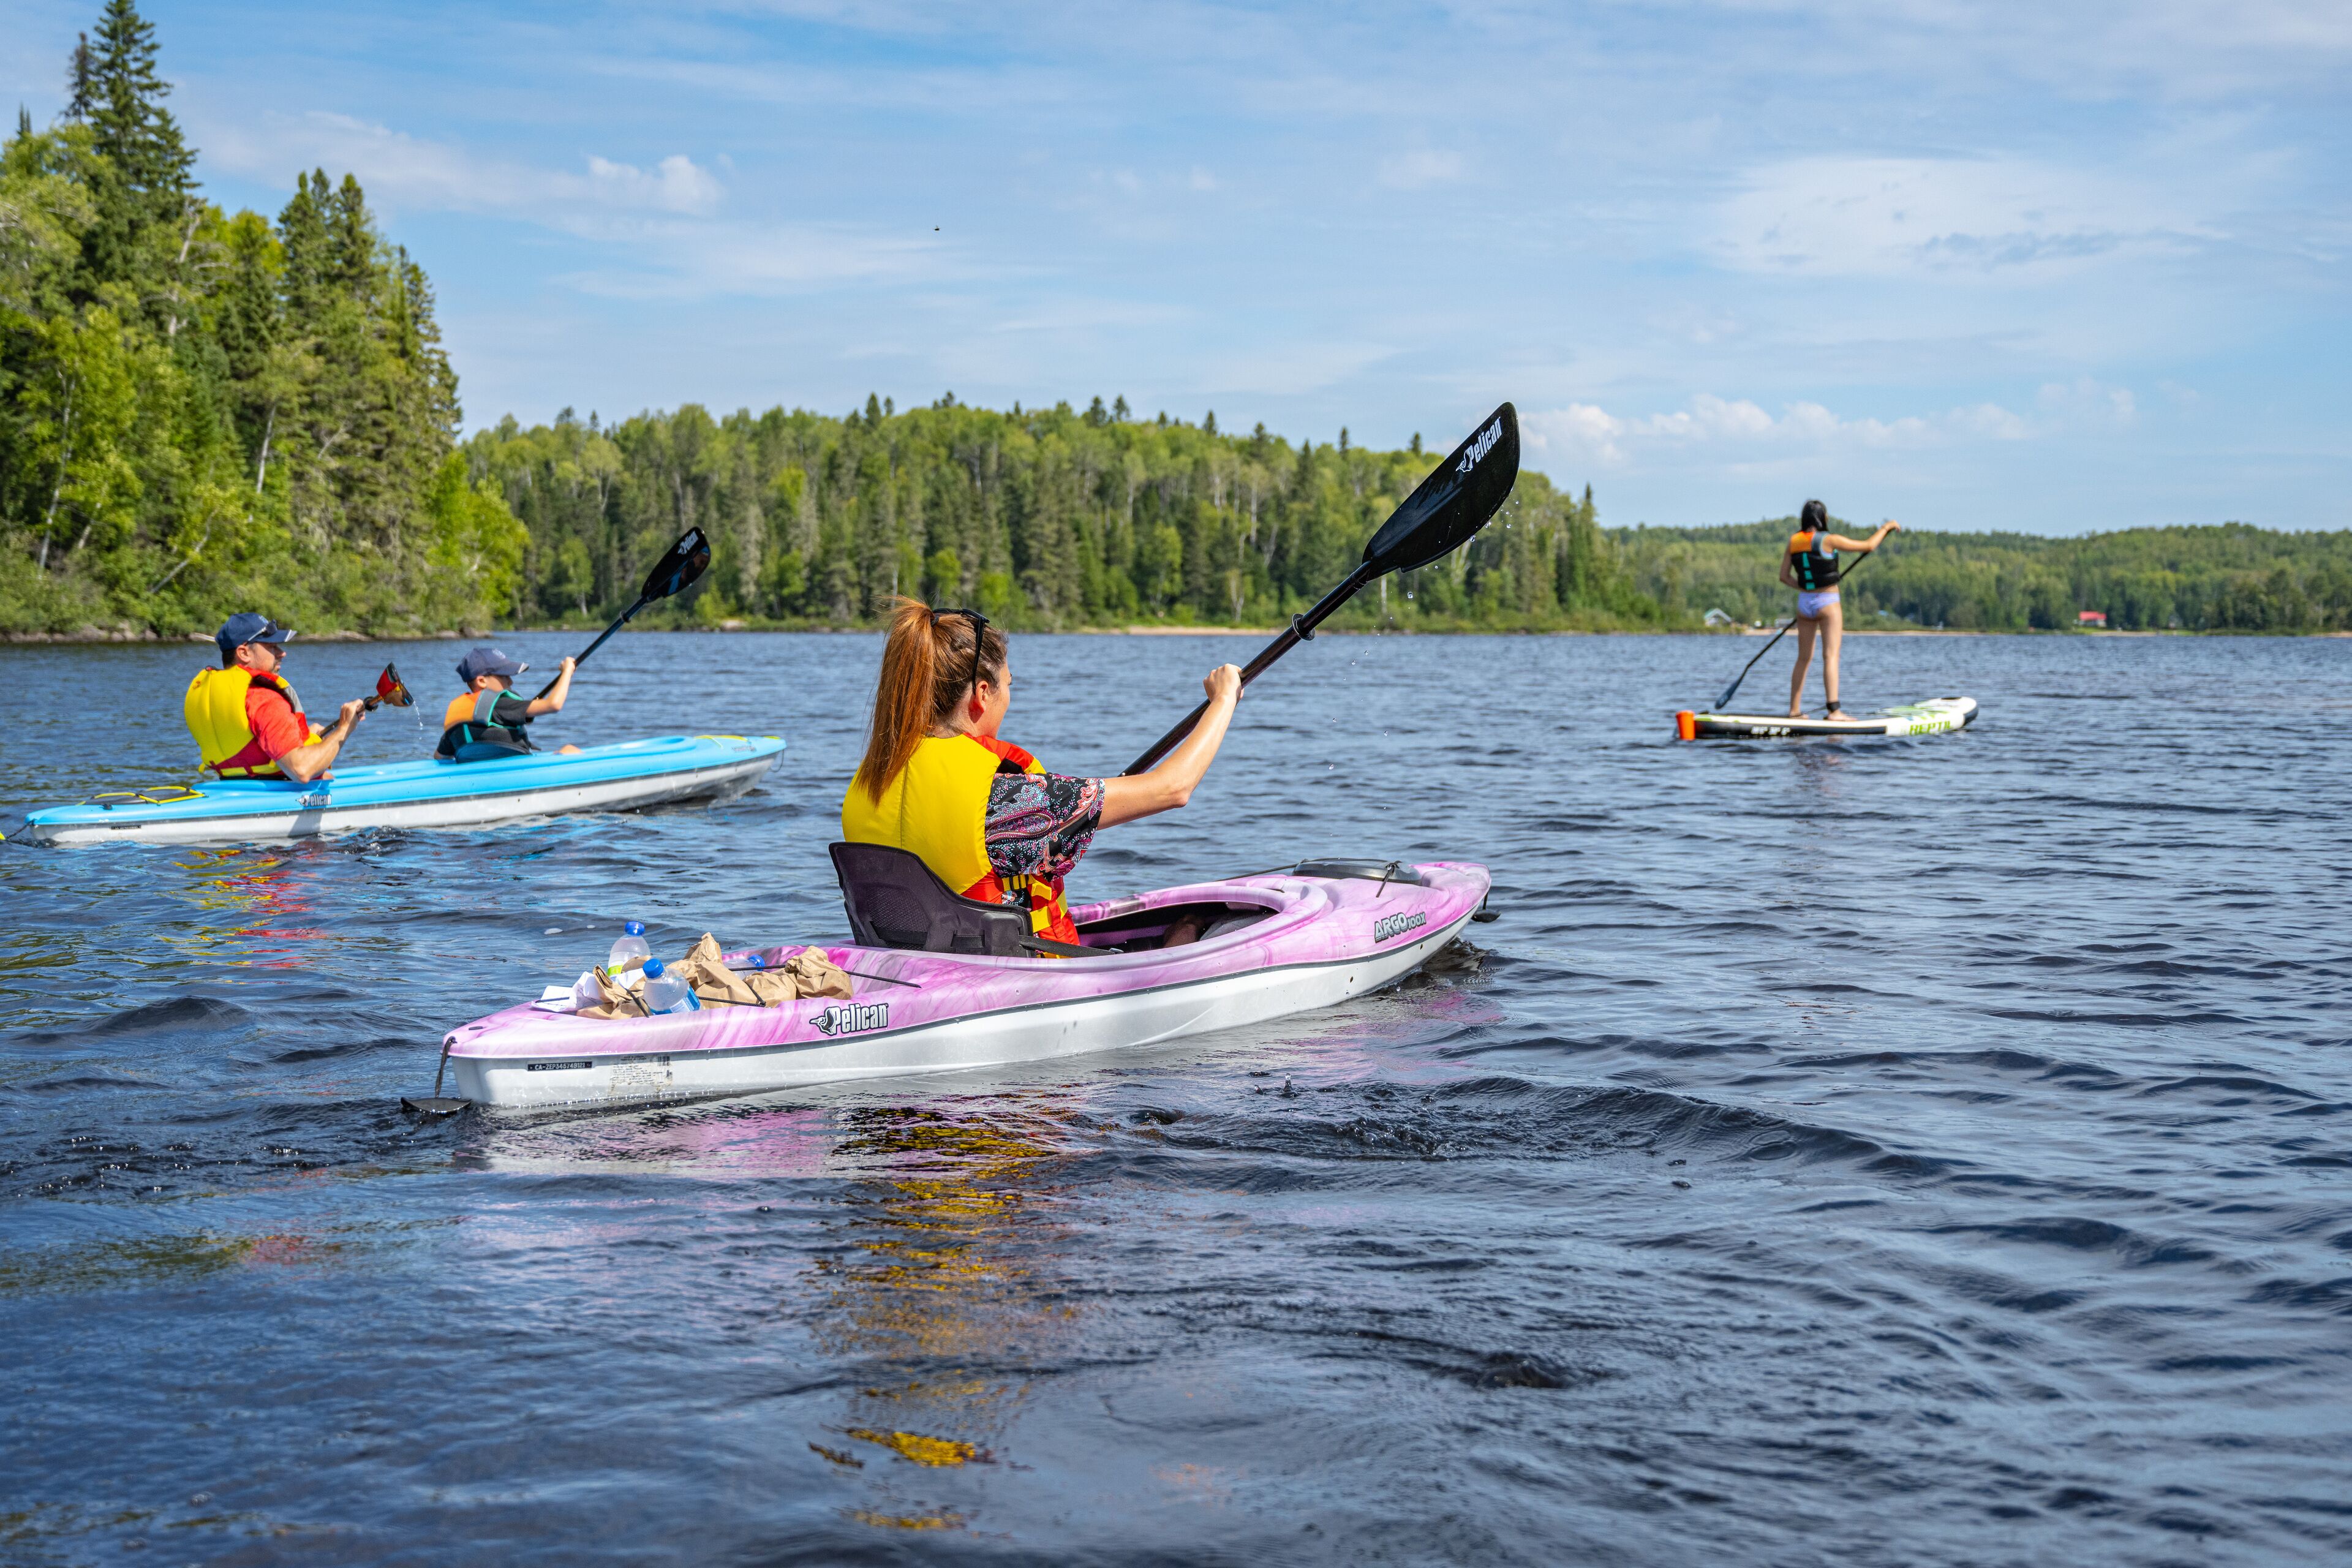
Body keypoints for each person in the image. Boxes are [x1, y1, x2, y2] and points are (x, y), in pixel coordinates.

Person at [842, 599, 1243, 949]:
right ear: (982, 694)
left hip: (916, 963)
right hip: (1011, 981)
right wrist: (1223, 700)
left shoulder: (870, 782)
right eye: (1008, 685)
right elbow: (1173, 788)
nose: (1009, 697)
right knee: (1200, 926)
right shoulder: (1007, 802)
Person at [184, 613, 366, 784]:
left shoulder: (215, 691)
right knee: (326, 778)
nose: (282, 653)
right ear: (244, 653)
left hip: (230, 785)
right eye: (272, 647)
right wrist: (344, 728)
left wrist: (302, 737)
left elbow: (250, 743)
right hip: (277, 791)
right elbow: (302, 770)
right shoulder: (263, 698)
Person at [1781, 501, 1900, 719]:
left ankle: (1794, 711)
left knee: (1803, 658)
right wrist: (1887, 527)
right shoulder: (1829, 540)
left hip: (1804, 604)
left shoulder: (1794, 542)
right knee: (1831, 656)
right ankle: (1834, 711)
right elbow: (1869, 546)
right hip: (1828, 602)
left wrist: (1806, 588)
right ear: (1822, 518)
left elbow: (1784, 577)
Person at [437, 647, 580, 762]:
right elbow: (554, 705)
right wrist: (567, 671)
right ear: (482, 681)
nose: (511, 681)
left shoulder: (458, 717)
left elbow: (440, 756)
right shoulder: (502, 703)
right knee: (570, 749)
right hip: (519, 772)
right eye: (505, 676)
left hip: (479, 776)